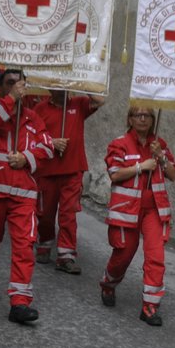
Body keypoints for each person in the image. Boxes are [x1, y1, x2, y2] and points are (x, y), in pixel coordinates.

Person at [0, 68, 54, 325]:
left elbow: (48, 148)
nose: (17, 87)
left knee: (24, 247)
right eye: (10, 83)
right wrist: (9, 101)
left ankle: (20, 302)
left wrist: (27, 158)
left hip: (23, 195)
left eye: (21, 84)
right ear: (0, 87)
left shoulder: (32, 118)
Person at [100, 107, 175, 325]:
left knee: (156, 256)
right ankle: (108, 283)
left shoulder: (159, 144)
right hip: (128, 209)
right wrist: (141, 166)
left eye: (147, 116)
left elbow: (173, 175)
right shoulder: (120, 143)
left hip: (153, 209)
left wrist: (161, 158)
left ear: (153, 120)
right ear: (130, 119)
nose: (143, 119)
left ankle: (150, 306)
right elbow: (115, 173)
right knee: (123, 254)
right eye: (138, 115)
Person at [29, 88, 103, 272]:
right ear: (50, 88)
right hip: (47, 169)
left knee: (68, 213)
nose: (61, 90)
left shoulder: (78, 104)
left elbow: (100, 100)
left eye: (65, 86)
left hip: (73, 169)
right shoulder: (40, 109)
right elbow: (31, 137)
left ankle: (66, 255)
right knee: (45, 213)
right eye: (57, 86)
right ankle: (45, 243)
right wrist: (50, 142)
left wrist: (81, 83)